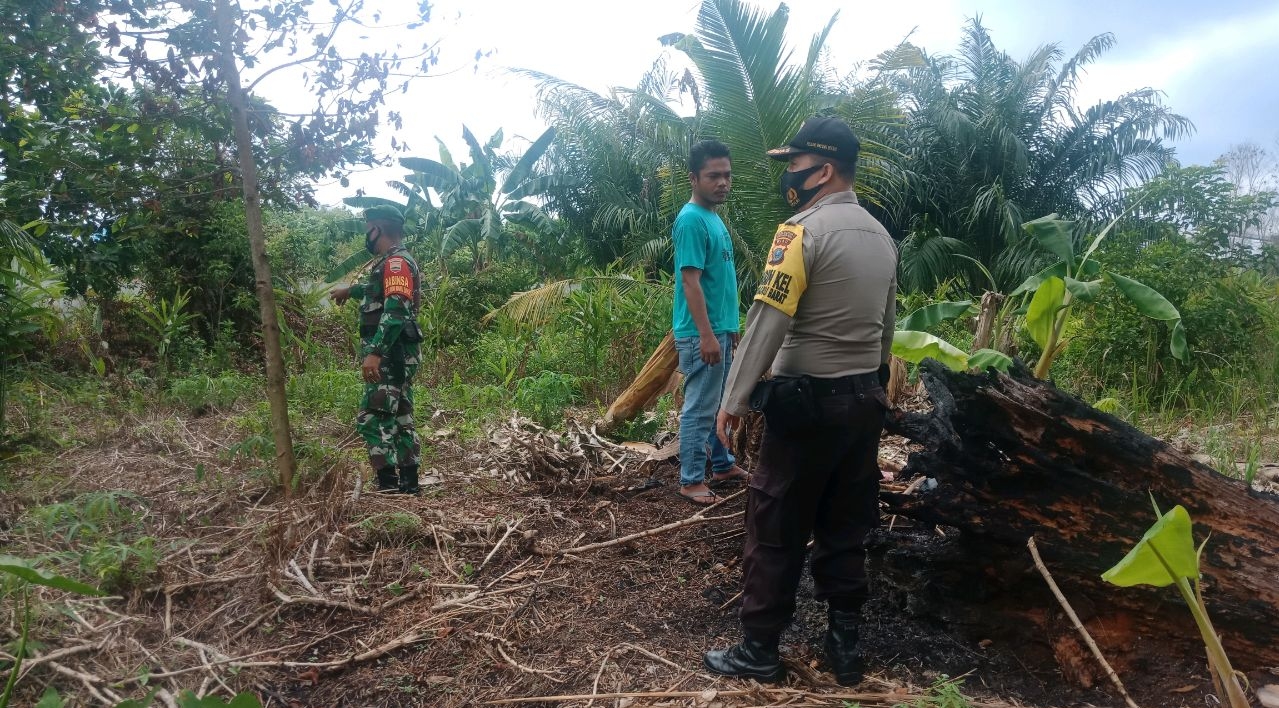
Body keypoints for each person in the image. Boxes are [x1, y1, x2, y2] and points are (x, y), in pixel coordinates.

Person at [702, 117, 898, 685]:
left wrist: (734, 399)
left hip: (806, 405)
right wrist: (875, 388)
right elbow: (886, 328)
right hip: (864, 399)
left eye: (794, 165)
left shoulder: (799, 233)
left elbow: (769, 319)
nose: (788, 175)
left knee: (775, 525)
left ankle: (759, 650)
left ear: (824, 170)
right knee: (846, 523)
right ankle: (845, 648)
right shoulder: (881, 236)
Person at [672, 139, 749, 506]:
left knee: (720, 402)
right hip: (701, 333)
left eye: (727, 175)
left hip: (720, 329)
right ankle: (690, 480)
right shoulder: (691, 220)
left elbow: (719, 282)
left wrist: (729, 327)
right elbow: (691, 282)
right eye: (713, 176)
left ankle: (722, 465)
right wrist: (706, 335)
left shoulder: (713, 217)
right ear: (693, 178)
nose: (723, 183)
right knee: (701, 407)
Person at [331, 205, 424, 494]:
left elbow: (395, 310)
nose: (366, 235)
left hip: (391, 354)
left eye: (367, 229)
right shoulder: (392, 262)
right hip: (398, 354)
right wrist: (351, 290)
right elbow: (377, 289)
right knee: (401, 415)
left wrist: (375, 352)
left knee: (372, 416)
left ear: (377, 229)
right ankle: (408, 483)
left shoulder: (396, 263)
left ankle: (387, 483)